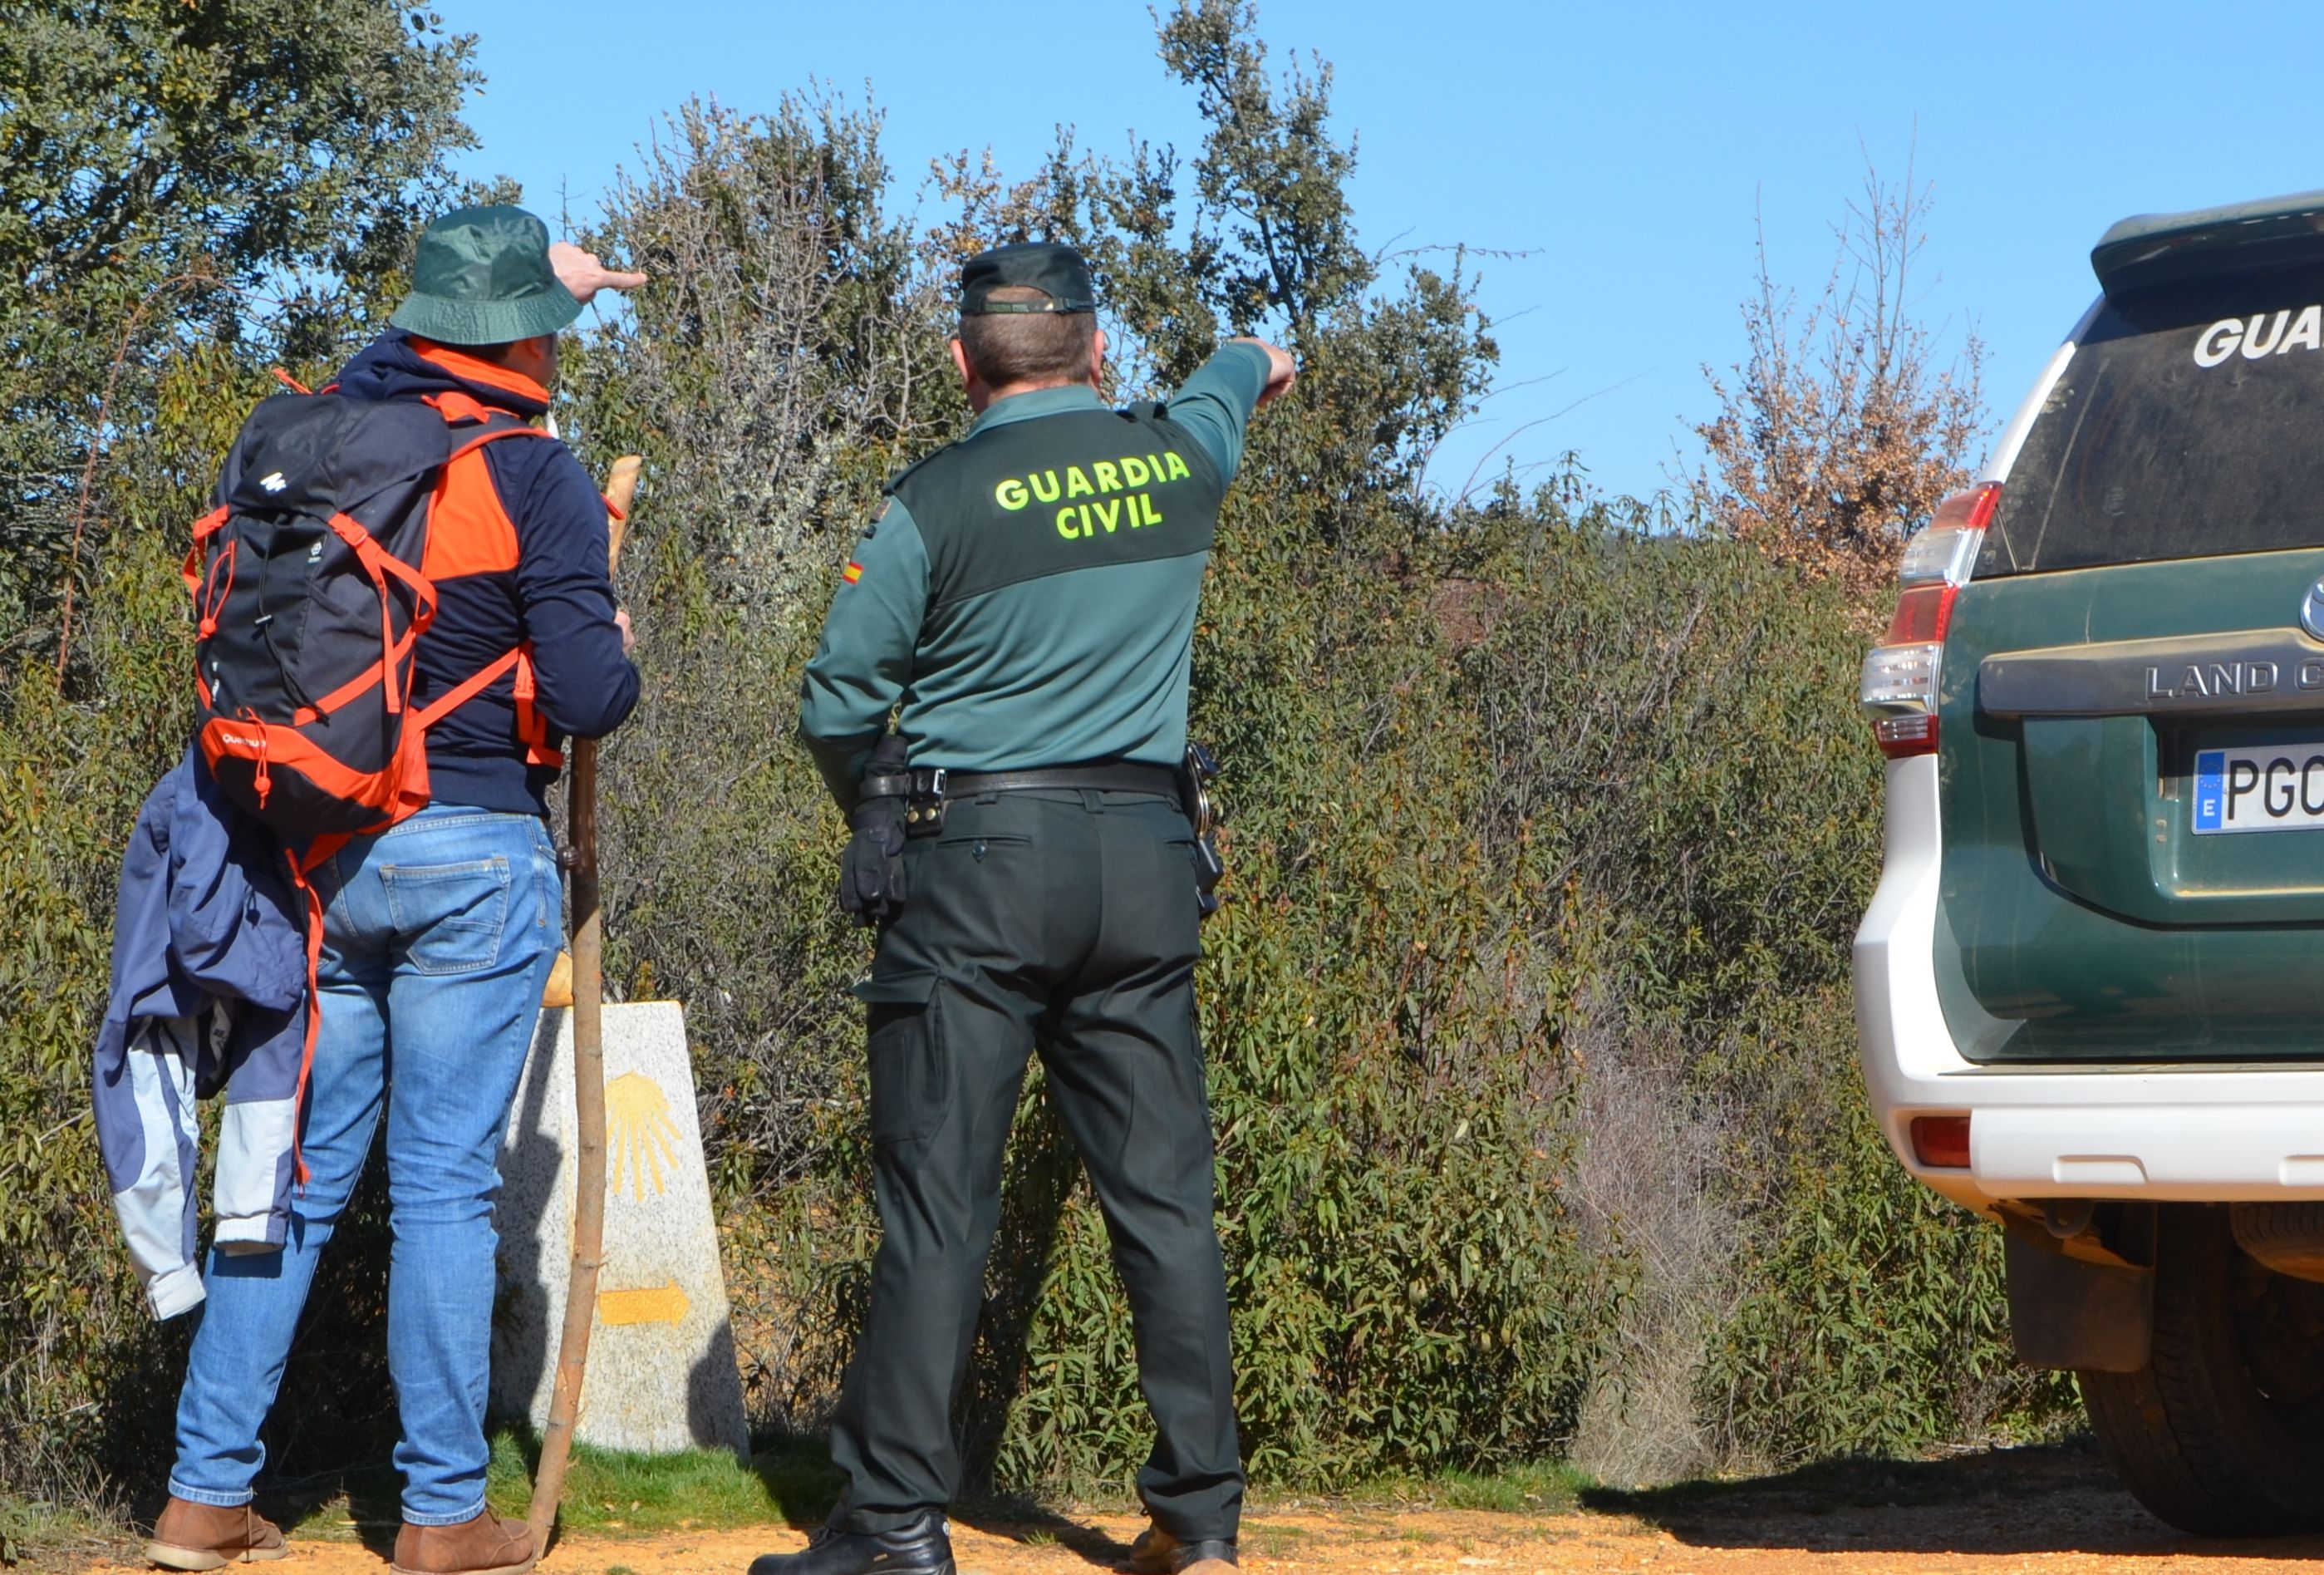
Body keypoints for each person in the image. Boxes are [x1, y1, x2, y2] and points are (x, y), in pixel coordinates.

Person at [766, 242, 1296, 1575]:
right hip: (1143, 858)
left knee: (940, 1205)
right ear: (1098, 347)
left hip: (978, 862)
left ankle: (893, 1525)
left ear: (961, 361)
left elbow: (836, 699)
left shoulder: (933, 500)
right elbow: (1237, 377)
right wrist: (1255, 358)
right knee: (1166, 1203)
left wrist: (880, 814)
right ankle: (1200, 1523)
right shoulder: (1180, 454)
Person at [143, 207, 645, 1575]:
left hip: (323, 855)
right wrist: (606, 621)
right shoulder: (532, 472)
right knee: (439, 1187)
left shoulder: (330, 440)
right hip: (473, 858)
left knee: (298, 1177)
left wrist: (565, 287)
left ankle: (204, 1497)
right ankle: (440, 1514)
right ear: (526, 337)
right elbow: (594, 696)